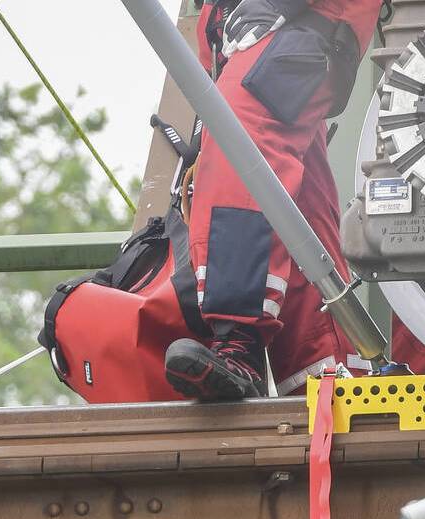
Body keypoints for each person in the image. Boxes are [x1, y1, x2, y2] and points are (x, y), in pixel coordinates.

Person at [162, 0, 384, 402]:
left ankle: (238, 341)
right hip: (268, 28)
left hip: (292, 23)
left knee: (242, 150)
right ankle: (330, 380)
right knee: (298, 213)